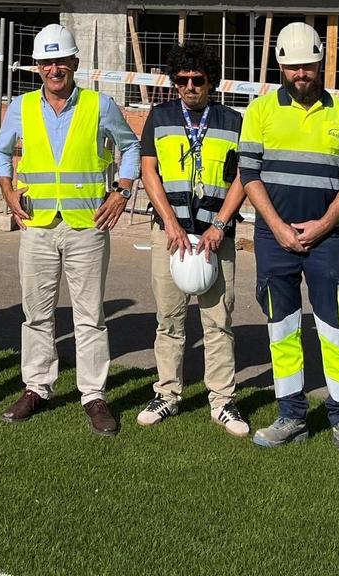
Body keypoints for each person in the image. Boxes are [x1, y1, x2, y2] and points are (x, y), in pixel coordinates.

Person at [0, 24, 139, 436]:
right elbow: (1, 152)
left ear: (75, 62)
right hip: (37, 226)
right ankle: (36, 388)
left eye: (61, 61)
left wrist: (122, 192)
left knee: (90, 316)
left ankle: (93, 395)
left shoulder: (100, 105)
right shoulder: (21, 107)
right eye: (46, 62)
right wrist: (7, 191)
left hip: (86, 226)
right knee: (36, 315)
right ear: (36, 66)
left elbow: (131, 147)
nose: (54, 69)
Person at [239, 22, 339, 462]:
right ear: (281, 65)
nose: (301, 74)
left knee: (336, 329)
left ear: (321, 63)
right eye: (293, 66)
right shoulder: (260, 111)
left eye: (308, 66)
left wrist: (323, 225)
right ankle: (291, 416)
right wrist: (278, 227)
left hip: (327, 238)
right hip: (272, 235)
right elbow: (249, 173)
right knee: (282, 328)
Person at [136, 41, 251, 437]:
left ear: (210, 81)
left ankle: (222, 401)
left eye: (197, 79)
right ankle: (167, 394)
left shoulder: (233, 120)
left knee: (218, 321)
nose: (189, 86)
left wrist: (220, 224)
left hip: (216, 235)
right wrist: (169, 222)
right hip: (170, 234)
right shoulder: (159, 116)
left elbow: (244, 176)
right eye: (182, 79)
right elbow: (148, 170)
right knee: (169, 319)